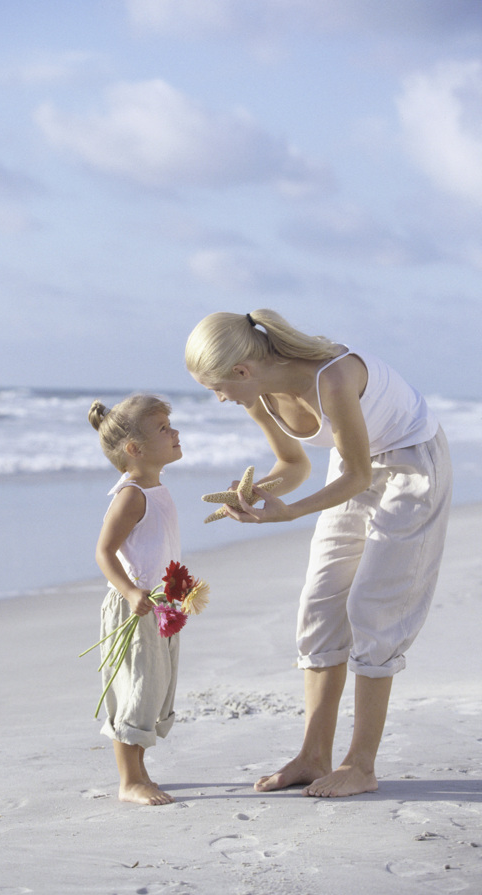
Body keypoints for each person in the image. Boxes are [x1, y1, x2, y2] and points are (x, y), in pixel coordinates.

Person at [185, 309, 452, 798]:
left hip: (411, 462)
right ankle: (313, 756)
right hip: (356, 465)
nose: (220, 398)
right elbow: (293, 464)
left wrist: (289, 514)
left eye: (216, 388)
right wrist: (259, 492)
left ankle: (361, 765)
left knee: (374, 608)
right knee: (320, 604)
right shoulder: (259, 396)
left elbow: (357, 478)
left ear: (242, 370)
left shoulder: (334, 378)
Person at [88, 393, 183, 806]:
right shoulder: (131, 495)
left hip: (162, 605)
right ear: (134, 448)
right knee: (135, 689)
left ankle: (140, 770)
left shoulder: (156, 487)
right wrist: (130, 592)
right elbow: (104, 552)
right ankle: (129, 781)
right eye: (164, 428)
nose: (175, 432)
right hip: (136, 609)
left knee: (156, 688)